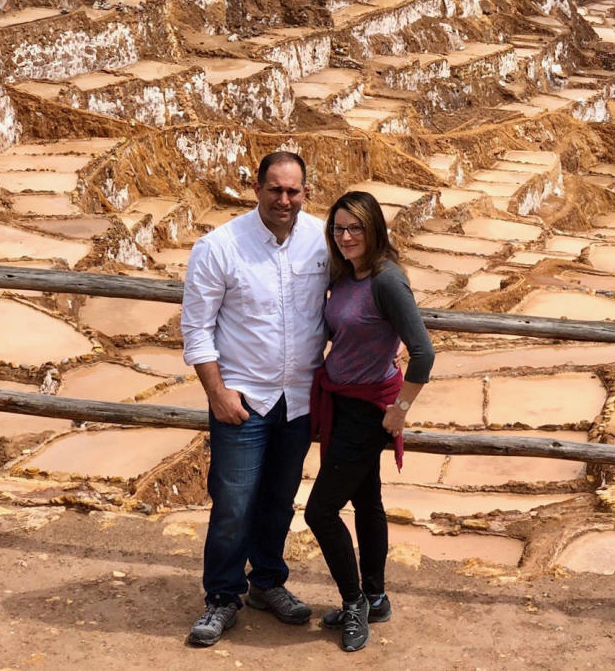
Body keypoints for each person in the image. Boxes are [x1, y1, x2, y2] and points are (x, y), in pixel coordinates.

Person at [181, 151, 329, 646]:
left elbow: (360, 293)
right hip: (242, 399)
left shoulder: (321, 239)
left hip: (300, 400)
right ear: (257, 188)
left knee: (279, 501)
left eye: (293, 190)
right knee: (233, 504)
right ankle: (222, 596)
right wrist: (217, 393)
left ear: (305, 192)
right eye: (275, 189)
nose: (284, 199)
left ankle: (267, 581)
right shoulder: (220, 247)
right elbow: (197, 329)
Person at [304, 190, 435, 653]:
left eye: (355, 227)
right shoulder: (346, 275)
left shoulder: (386, 280)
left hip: (367, 412)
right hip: (341, 404)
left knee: (320, 511)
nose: (345, 236)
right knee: (367, 502)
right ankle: (375, 597)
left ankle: (354, 601)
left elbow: (423, 352)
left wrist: (400, 410)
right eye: (339, 228)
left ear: (374, 229)